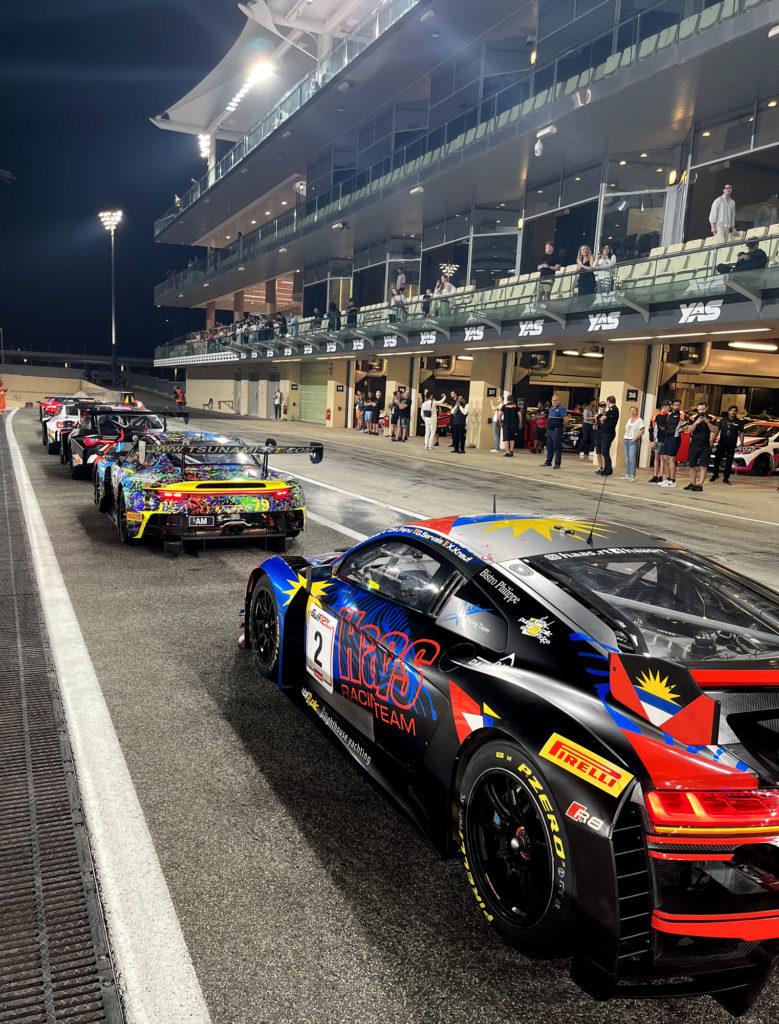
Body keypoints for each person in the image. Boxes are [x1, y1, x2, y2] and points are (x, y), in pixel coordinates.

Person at [680, 402, 717, 492]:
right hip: (694, 444)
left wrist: (707, 422)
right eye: (700, 409)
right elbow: (689, 430)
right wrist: (696, 423)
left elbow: (715, 430)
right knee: (692, 465)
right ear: (697, 409)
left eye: (703, 409)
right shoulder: (693, 418)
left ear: (707, 408)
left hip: (705, 445)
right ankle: (693, 483)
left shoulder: (712, 418)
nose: (701, 411)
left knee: (703, 465)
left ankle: (700, 485)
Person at [710, 405, 745, 484]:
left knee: (729, 462)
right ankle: (715, 474)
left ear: (736, 412)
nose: (733, 412)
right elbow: (717, 431)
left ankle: (726, 478)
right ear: (729, 411)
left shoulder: (739, 422)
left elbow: (741, 433)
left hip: (731, 445)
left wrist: (741, 443)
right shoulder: (723, 420)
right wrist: (712, 440)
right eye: (732, 410)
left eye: (735, 411)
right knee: (717, 460)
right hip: (721, 444)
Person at [658, 399, 685, 487]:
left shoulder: (681, 413)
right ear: (672, 406)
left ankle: (673, 481)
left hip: (674, 438)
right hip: (666, 438)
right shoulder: (668, 414)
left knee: (671, 459)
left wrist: (681, 429)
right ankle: (668, 479)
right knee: (664, 458)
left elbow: (689, 422)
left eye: (678, 405)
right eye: (675, 405)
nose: (677, 406)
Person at [540, 393, 567, 469]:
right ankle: (548, 462)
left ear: (559, 401)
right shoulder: (551, 409)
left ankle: (557, 464)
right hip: (550, 430)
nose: (554, 402)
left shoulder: (561, 409)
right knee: (549, 446)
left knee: (557, 447)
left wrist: (562, 427)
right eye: (553, 400)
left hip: (557, 430)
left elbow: (566, 419)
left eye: (556, 400)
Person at [648, 400, 671, 483]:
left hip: (666, 439)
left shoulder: (669, 415)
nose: (669, 408)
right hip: (657, 439)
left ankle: (660, 476)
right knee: (656, 457)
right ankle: (655, 475)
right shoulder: (655, 415)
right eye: (668, 406)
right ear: (664, 407)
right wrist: (651, 440)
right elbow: (651, 428)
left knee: (663, 458)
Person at [597, 396, 619, 476]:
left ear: (608, 401)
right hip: (607, 433)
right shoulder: (614, 409)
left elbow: (603, 418)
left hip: (608, 433)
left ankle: (608, 470)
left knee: (604, 451)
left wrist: (602, 420)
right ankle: (607, 469)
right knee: (604, 451)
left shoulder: (612, 409)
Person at [622, 406, 645, 481]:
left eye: (634, 410)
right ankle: (627, 474)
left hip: (633, 440)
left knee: (632, 458)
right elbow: (627, 429)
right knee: (627, 458)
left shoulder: (639, 420)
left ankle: (632, 475)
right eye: (631, 410)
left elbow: (642, 431)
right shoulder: (629, 420)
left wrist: (635, 438)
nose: (632, 412)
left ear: (637, 412)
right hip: (626, 439)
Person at [501, 393, 519, 457]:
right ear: (513, 400)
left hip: (506, 424)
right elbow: (520, 415)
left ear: (507, 399)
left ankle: (507, 452)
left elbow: (499, 415)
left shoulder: (504, 406)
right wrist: (520, 423)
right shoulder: (516, 406)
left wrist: (500, 421)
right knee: (512, 438)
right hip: (514, 425)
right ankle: (511, 451)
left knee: (506, 439)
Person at [592, 401, 606, 472]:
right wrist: (594, 427)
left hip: (604, 436)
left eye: (604, 406)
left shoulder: (607, 415)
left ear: (605, 407)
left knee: (604, 452)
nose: (602, 408)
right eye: (601, 406)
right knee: (598, 452)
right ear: (599, 407)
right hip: (598, 436)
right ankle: (600, 467)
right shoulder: (597, 416)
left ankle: (605, 467)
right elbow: (594, 426)